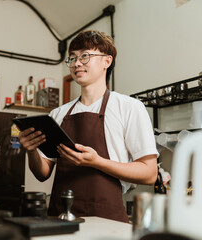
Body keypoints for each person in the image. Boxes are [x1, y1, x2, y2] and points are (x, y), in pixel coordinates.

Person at [18, 30, 158, 223]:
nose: (77, 63)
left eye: (85, 56)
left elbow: (149, 173)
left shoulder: (129, 107)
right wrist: (31, 150)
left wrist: (97, 162)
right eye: (73, 58)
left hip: (107, 221)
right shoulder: (58, 114)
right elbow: (42, 173)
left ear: (107, 61)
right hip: (60, 219)